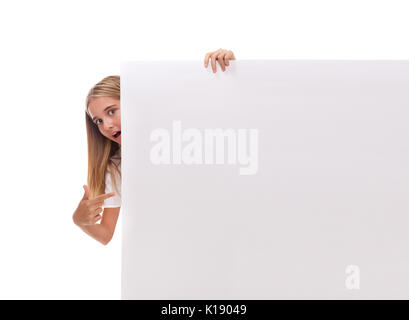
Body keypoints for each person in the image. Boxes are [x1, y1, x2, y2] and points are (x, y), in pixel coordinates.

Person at [72, 48, 236, 245]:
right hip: (169, 250)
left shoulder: (179, 132)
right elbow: (105, 234)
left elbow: (224, 118)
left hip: (219, 236)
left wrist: (229, 70)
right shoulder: (116, 167)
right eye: (98, 121)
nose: (106, 125)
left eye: (112, 111)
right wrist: (81, 222)